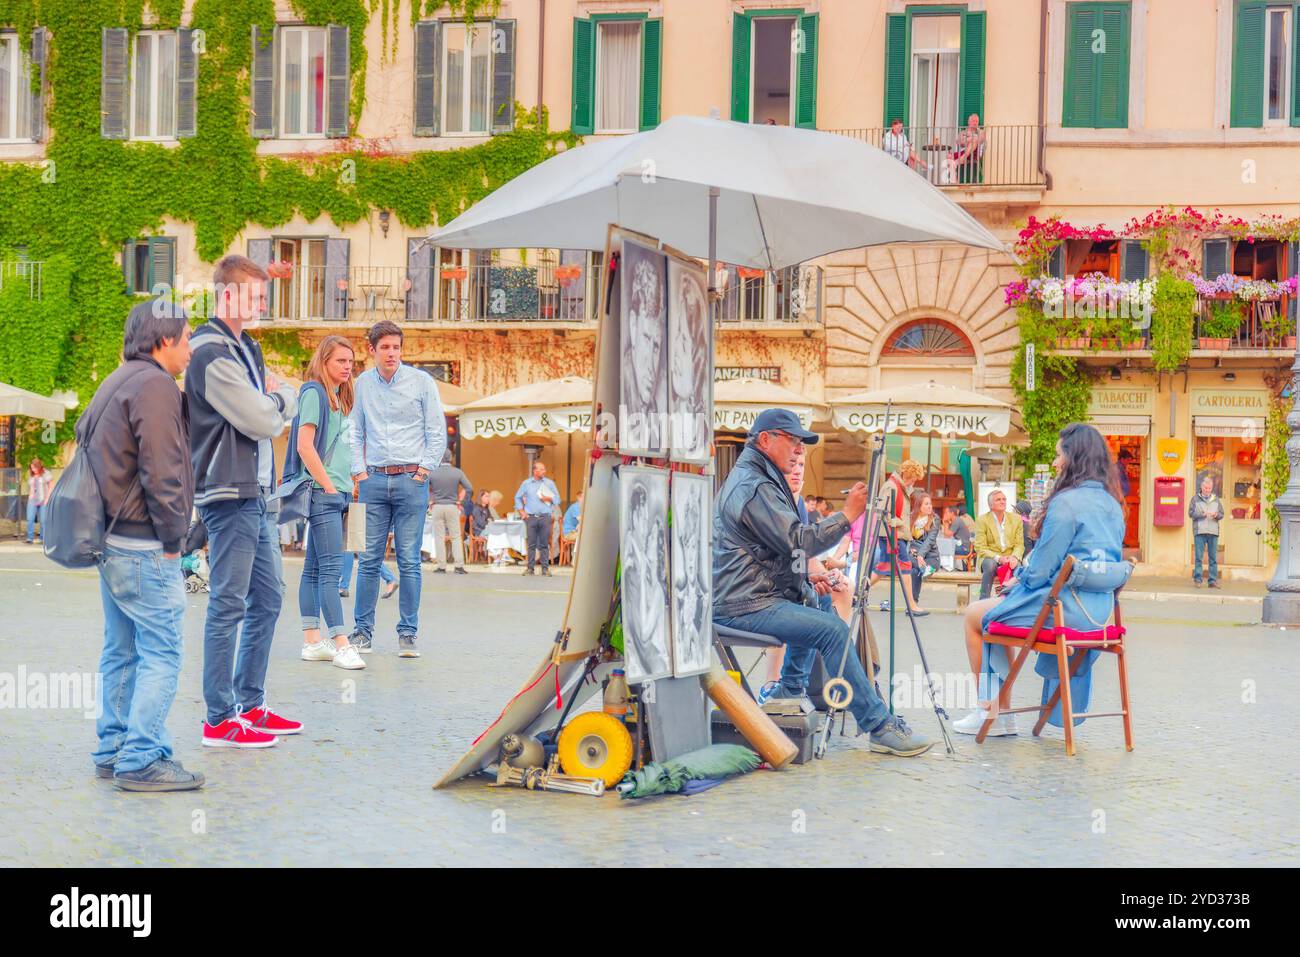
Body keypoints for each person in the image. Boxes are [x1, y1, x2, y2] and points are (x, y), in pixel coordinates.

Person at [712, 408, 932, 757]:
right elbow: (798, 539)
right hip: (744, 603)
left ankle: (789, 690)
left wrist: (810, 574)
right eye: (793, 441)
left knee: (816, 601)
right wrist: (847, 515)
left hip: (751, 594)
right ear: (766, 440)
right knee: (831, 629)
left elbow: (774, 549)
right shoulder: (754, 486)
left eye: (802, 444)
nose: (800, 450)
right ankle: (878, 725)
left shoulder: (759, 477)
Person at [85, 299, 202, 790]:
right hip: (143, 544)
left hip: (111, 540)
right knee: (162, 652)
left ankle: (112, 749)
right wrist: (175, 537)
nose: (192, 349)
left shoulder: (117, 379)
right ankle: (141, 758)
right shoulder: (156, 385)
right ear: (163, 340)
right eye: (187, 337)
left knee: (121, 649)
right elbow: (163, 470)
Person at [187, 255, 302, 748]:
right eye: (255, 295)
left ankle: (250, 705)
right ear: (228, 295)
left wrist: (276, 400)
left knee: (269, 599)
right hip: (226, 492)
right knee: (228, 603)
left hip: (255, 492)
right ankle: (218, 718)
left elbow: (269, 405)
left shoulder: (244, 347)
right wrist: (281, 401)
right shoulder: (209, 352)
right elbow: (263, 418)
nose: (262, 304)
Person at [955, 423, 1127, 736]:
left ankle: (993, 712)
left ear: (1073, 458)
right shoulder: (1113, 504)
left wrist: (1015, 580)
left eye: (1059, 455)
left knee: (976, 615)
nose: (1055, 462)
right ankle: (999, 712)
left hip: (1065, 611)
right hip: (1099, 616)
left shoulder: (1067, 503)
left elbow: (1040, 572)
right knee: (996, 608)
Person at [348, 320, 446, 658]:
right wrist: (359, 473)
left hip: (411, 481)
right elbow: (355, 429)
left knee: (409, 561)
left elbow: (437, 430)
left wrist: (423, 471)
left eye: (396, 347)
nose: (392, 353)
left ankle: (408, 634)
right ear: (372, 350)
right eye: (385, 347)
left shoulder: (422, 382)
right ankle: (362, 633)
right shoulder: (361, 383)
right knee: (367, 559)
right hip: (372, 481)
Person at [293, 336, 366, 671]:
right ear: (324, 361)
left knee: (314, 569)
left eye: (350, 362)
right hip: (323, 493)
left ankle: (312, 642)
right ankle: (341, 643)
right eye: (340, 361)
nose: (347, 367)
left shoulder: (338, 397)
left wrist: (349, 483)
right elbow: (304, 446)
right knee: (332, 572)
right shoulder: (314, 392)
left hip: (336, 492)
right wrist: (329, 487)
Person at [868, 459, 928, 616]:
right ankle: (912, 605)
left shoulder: (898, 485)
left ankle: (856, 592)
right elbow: (883, 511)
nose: (913, 482)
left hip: (893, 534)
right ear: (906, 474)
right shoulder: (891, 486)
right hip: (892, 534)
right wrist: (899, 522)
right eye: (913, 478)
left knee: (884, 567)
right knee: (905, 566)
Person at [974, 489, 1025, 600]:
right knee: (991, 566)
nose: (1003, 502)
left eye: (1004, 499)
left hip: (1010, 556)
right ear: (991, 505)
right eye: (998, 500)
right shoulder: (982, 520)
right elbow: (980, 547)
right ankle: (983, 600)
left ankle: (1014, 602)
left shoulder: (1016, 519)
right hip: (991, 557)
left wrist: (1015, 557)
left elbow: (1019, 544)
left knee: (1019, 568)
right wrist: (999, 558)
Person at [427, 451, 472, 574]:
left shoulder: (433, 472)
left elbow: (423, 486)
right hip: (452, 506)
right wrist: (462, 502)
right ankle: (458, 566)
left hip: (437, 506)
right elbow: (469, 488)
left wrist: (429, 501)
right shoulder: (457, 472)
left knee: (439, 537)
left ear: (440, 459)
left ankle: (441, 566)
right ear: (451, 458)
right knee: (456, 536)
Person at [515, 460, 560, 576]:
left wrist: (548, 499)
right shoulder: (526, 483)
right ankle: (530, 568)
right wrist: (522, 511)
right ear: (535, 471)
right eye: (541, 469)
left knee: (544, 544)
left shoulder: (549, 483)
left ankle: (545, 569)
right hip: (531, 518)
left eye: (544, 469)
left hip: (545, 517)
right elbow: (517, 497)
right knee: (531, 544)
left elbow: (557, 499)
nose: (544, 471)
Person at [1189, 474, 1224, 589]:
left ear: (1211, 488)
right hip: (1200, 531)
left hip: (1213, 531)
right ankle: (1198, 580)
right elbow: (1191, 513)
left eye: (1209, 488)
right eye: (1206, 488)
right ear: (1202, 487)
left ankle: (1212, 581)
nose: (1208, 490)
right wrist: (1202, 514)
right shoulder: (1195, 499)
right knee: (1199, 557)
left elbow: (1221, 514)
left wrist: (1216, 515)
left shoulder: (1216, 499)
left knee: (1213, 558)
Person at [909, 492, 940, 610]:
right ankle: (913, 604)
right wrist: (911, 549)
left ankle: (912, 604)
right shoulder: (911, 518)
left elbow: (930, 540)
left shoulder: (935, 519)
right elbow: (907, 538)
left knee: (915, 569)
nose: (929, 506)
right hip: (915, 556)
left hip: (931, 556)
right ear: (918, 506)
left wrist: (920, 555)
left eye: (930, 504)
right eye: (926, 504)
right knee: (914, 570)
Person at [949, 113, 986, 184]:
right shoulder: (962, 132)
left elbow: (980, 140)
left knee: (974, 142)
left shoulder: (981, 132)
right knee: (949, 156)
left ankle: (962, 159)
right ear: (968, 122)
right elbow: (960, 142)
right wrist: (973, 137)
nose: (975, 123)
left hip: (974, 155)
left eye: (976, 121)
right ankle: (955, 182)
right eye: (973, 121)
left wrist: (968, 138)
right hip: (963, 153)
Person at [24, 458, 51, 544]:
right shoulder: (32, 475)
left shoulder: (46, 473)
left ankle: (42, 538)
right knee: (30, 519)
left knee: (43, 520)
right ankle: (30, 538)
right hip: (32, 500)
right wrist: (29, 497)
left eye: (34, 468)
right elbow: (31, 487)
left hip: (43, 500)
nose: (33, 470)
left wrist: (47, 499)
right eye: (32, 468)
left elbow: (51, 486)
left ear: (39, 467)